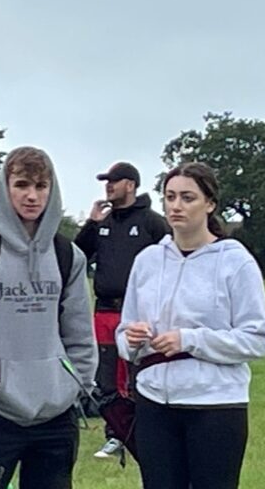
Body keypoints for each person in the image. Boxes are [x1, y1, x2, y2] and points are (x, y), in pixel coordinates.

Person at [116, 162, 265, 489]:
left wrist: (189, 339)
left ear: (210, 203)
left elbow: (257, 339)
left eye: (188, 198)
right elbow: (124, 332)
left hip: (215, 405)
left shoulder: (235, 261)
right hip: (154, 403)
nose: (176, 206)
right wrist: (130, 339)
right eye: (170, 197)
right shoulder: (147, 261)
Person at [0, 146, 98, 489]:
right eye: (21, 185)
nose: (32, 196)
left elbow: (79, 331)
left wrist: (75, 386)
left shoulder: (67, 254)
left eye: (41, 186)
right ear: (4, 188)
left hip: (55, 413)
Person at [74, 161, 169, 458]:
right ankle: (115, 433)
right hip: (104, 309)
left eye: (114, 181)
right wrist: (91, 223)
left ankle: (141, 432)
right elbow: (77, 256)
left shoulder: (152, 222)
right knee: (105, 377)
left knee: (133, 374)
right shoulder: (104, 223)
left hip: (138, 312)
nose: (108, 187)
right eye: (106, 182)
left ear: (130, 185)